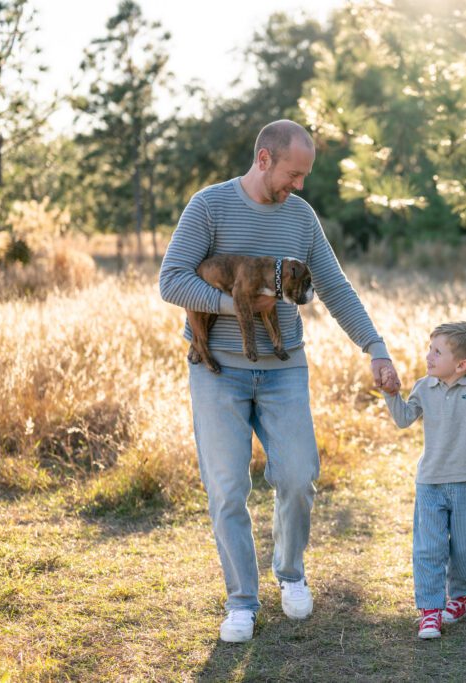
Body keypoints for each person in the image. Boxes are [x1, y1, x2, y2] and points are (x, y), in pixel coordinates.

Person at [158, 119, 400, 643]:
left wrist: (375, 347)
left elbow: (335, 287)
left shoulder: (301, 217)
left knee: (297, 476)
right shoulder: (209, 206)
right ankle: (241, 602)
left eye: (305, 175)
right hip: (218, 373)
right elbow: (171, 281)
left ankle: (290, 574)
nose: (300, 184)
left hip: (283, 371)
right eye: (294, 173)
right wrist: (238, 305)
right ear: (264, 159)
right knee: (227, 490)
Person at [383, 322, 466, 639]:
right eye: (430, 349)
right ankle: (430, 612)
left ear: (461, 365)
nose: (428, 356)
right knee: (428, 549)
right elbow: (403, 419)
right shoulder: (423, 387)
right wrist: (391, 394)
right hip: (430, 484)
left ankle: (460, 599)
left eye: (437, 352)